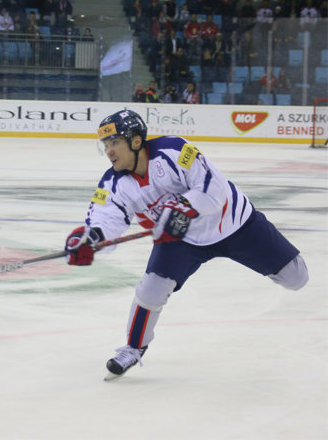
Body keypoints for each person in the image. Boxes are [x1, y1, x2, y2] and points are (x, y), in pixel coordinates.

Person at [64, 109, 309, 379]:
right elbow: (106, 218)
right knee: (150, 290)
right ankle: (133, 348)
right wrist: (92, 239)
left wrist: (184, 207)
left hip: (234, 224)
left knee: (296, 277)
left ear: (135, 141)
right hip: (181, 239)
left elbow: (213, 187)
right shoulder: (112, 182)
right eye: (106, 146)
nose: (109, 151)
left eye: (115, 143)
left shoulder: (175, 149)